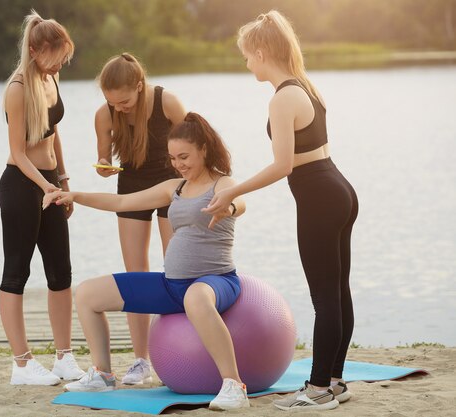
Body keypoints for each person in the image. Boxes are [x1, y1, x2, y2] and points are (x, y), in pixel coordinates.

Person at [204, 10, 359, 411]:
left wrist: (232, 191)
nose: (246, 63)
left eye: (246, 56)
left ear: (260, 51)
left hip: (321, 197)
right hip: (338, 189)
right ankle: (335, 381)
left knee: (325, 297)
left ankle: (320, 388)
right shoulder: (305, 87)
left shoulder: (282, 97)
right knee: (337, 292)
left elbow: (283, 166)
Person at [44, 113, 249, 411]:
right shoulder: (174, 188)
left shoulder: (223, 183)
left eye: (184, 156)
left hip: (215, 283)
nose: (179, 163)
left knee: (196, 296)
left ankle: (233, 385)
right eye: (173, 158)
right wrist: (73, 195)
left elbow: (240, 202)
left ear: (204, 149)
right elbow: (123, 202)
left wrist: (228, 206)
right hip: (171, 286)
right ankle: (102, 374)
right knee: (88, 293)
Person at [0, 10, 84, 386]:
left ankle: (64, 356)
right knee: (16, 271)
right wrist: (45, 186)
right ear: (35, 50)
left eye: (64, 57)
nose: (60, 63)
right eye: (56, 56)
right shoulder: (17, 88)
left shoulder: (52, 79)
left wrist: (61, 180)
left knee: (61, 272)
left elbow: (53, 134)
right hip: (21, 184)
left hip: (50, 182)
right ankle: (22, 364)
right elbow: (18, 152)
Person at [93, 52, 187, 384]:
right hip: (130, 186)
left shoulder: (168, 103)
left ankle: (182, 351)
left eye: (125, 101)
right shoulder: (104, 115)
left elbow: (196, 146)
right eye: (112, 103)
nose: (119, 108)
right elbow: (104, 157)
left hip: (170, 186)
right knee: (136, 273)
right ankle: (140, 360)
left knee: (176, 269)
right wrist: (104, 164)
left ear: (140, 86)